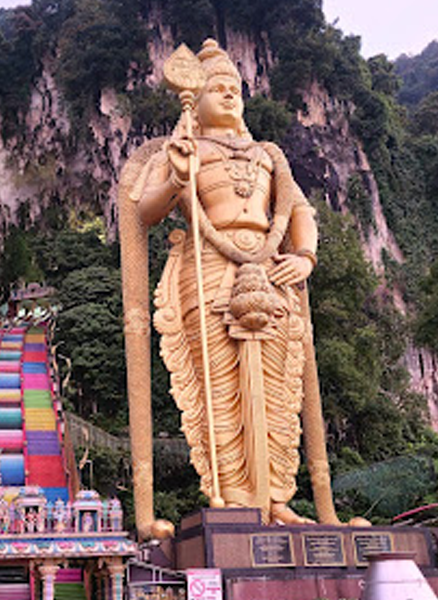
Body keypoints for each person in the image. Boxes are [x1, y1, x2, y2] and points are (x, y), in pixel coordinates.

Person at [125, 39, 323, 525]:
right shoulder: (184, 150)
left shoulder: (268, 155)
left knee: (279, 385)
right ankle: (234, 495)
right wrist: (177, 175)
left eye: (235, 87)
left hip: (271, 265)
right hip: (207, 267)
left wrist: (306, 258)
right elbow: (143, 212)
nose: (229, 95)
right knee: (217, 384)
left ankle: (277, 497)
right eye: (217, 87)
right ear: (197, 97)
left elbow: (299, 212)